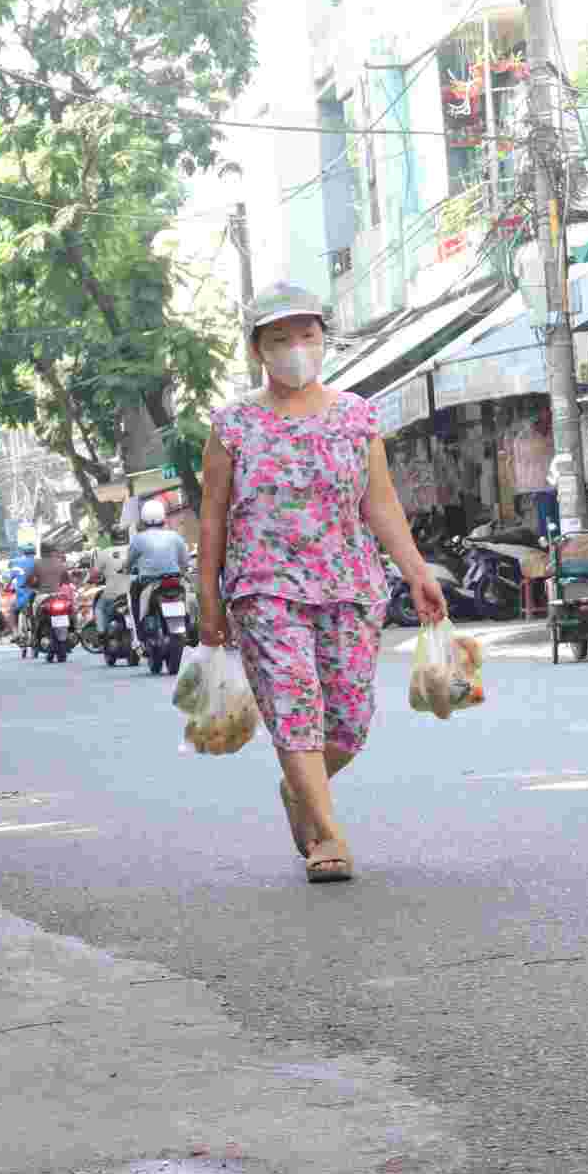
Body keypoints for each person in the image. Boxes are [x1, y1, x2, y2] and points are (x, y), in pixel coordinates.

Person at [197, 281, 446, 885]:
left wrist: (417, 572)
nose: (296, 348)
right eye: (280, 338)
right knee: (294, 706)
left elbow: (380, 503)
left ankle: (299, 791)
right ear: (257, 350)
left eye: (306, 335)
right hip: (264, 588)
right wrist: (208, 599)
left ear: (323, 339)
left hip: (350, 586)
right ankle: (328, 835)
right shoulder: (232, 425)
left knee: (350, 721)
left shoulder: (357, 416)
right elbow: (212, 516)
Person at [122, 500, 192, 636]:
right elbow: (185, 560)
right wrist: (183, 571)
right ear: (163, 518)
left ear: (143, 520)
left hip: (148, 581)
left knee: (133, 591)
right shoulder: (175, 536)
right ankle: (189, 622)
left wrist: (126, 569)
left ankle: (139, 632)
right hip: (174, 579)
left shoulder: (138, 539)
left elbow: (129, 562)